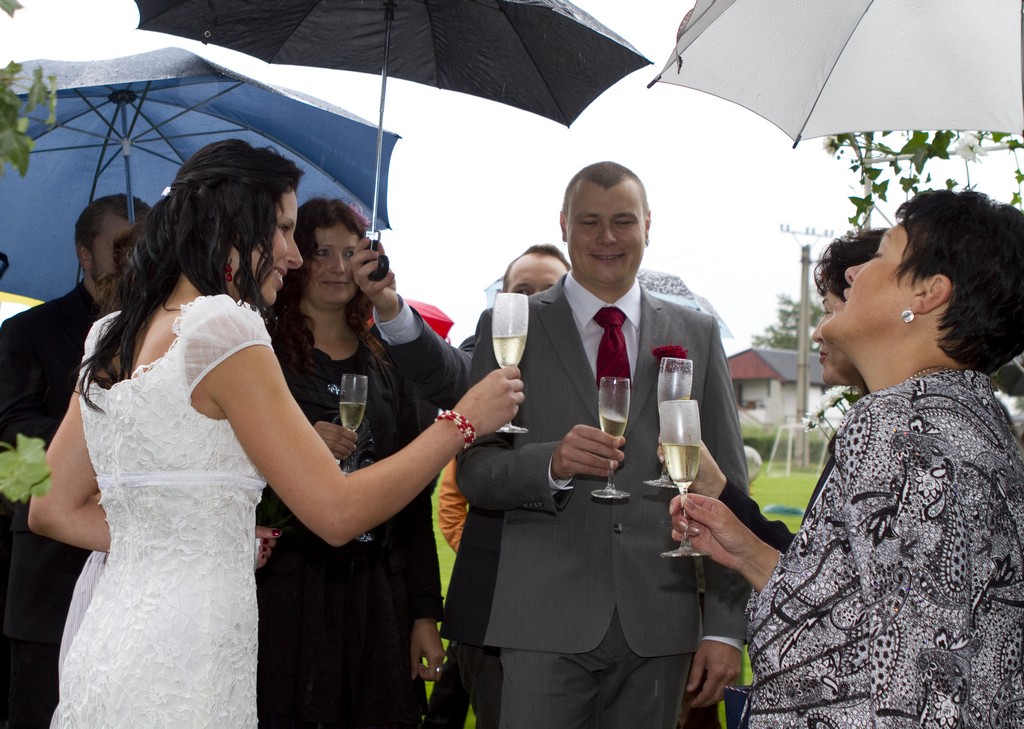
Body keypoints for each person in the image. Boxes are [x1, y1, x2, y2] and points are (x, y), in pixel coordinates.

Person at [27, 139, 523, 728]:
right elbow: (336, 513)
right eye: (284, 229)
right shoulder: (224, 329)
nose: (292, 255)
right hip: (190, 653)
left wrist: (200, 538)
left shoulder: (112, 333)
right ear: (237, 225)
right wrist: (460, 423)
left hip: (111, 640)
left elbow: (51, 508)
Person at [675, 190, 1024, 727]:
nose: (855, 273)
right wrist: (747, 551)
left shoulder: (898, 424)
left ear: (928, 293)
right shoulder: (974, 415)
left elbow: (921, 676)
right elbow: (881, 614)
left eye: (881, 254)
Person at [456, 161, 749, 729]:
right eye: (590, 221)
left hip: (660, 622)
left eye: (623, 221)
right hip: (541, 620)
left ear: (648, 226)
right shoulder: (510, 325)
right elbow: (475, 471)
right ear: (564, 225)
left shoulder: (696, 333)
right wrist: (550, 463)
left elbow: (728, 490)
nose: (607, 237)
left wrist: (722, 628)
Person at [366, 243, 571, 729]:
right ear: (502, 302)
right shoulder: (487, 354)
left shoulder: (602, 360)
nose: (533, 303)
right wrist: (391, 310)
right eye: (521, 292)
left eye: (548, 292)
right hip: (497, 612)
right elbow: (443, 368)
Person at [257, 197, 444, 728]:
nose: (338, 267)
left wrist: (423, 613)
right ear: (296, 258)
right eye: (321, 252)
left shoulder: (389, 361)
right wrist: (296, 446)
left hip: (376, 592)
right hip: (285, 591)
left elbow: (413, 495)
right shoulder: (262, 354)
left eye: (350, 253)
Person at [0, 193, 148, 729]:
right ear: (85, 254)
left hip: (136, 581)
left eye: (141, 245)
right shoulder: (28, 332)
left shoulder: (159, 334)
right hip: (51, 570)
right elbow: (10, 430)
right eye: (119, 246)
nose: (132, 257)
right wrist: (99, 440)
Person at [686, 228, 884, 553]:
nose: (818, 332)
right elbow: (810, 560)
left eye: (830, 310)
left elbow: (819, 573)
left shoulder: (887, 432)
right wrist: (717, 487)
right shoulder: (873, 420)